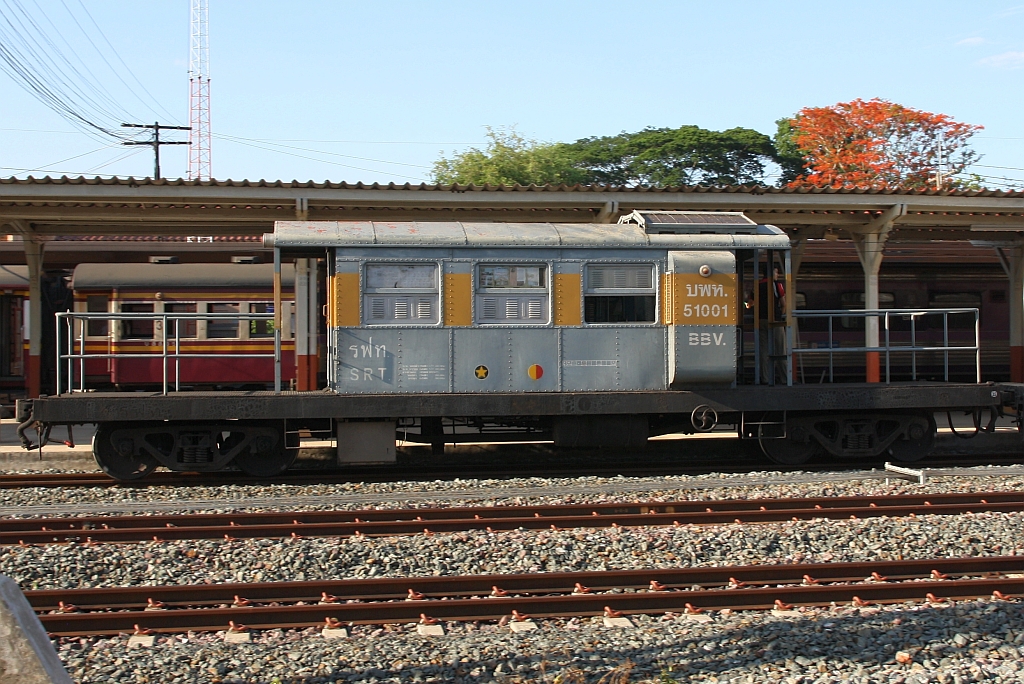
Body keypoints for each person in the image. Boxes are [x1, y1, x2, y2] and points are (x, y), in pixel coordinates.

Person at [750, 266, 787, 384]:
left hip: (761, 321)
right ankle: (785, 378)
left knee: (763, 351)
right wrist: (780, 315)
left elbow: (750, 304)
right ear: (771, 273)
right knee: (781, 350)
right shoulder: (777, 285)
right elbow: (784, 304)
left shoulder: (757, 285)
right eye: (776, 272)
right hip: (775, 321)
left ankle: (764, 379)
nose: (778, 275)